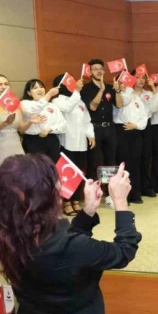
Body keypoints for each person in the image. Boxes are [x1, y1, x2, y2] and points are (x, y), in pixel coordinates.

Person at [0, 158, 141, 314]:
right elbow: (124, 250)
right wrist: (120, 201)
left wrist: (87, 212)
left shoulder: (10, 235)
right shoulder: (71, 248)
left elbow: (63, 253)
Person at [52, 73, 93, 216]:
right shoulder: (58, 101)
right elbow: (68, 108)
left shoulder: (79, 100)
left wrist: (91, 135)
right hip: (66, 142)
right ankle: (66, 202)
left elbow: (87, 121)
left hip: (81, 143)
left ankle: (76, 200)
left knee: (79, 172)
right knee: (66, 173)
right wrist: (76, 91)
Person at [81, 59, 122, 180]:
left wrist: (117, 91)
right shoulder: (86, 88)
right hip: (94, 129)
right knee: (94, 161)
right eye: (95, 69)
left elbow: (119, 105)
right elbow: (92, 107)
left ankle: (110, 190)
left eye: (101, 69)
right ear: (90, 72)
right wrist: (101, 90)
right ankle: (93, 188)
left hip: (110, 129)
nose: (99, 71)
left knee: (111, 161)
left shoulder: (111, 87)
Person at [116, 72, 151, 204]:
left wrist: (136, 125)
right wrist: (126, 89)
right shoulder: (119, 95)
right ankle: (123, 196)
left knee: (135, 164)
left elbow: (144, 116)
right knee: (124, 165)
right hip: (122, 130)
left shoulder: (136, 98)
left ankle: (135, 194)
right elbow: (124, 102)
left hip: (135, 132)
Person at [20, 79, 65, 162]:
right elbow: (34, 109)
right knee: (36, 167)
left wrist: (50, 129)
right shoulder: (24, 103)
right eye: (35, 88)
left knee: (53, 166)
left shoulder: (52, 105)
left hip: (51, 140)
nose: (39, 90)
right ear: (29, 92)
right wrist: (49, 94)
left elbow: (63, 124)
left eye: (41, 87)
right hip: (33, 141)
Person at [0, 74, 41, 164]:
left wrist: (30, 121)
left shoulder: (15, 103)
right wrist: (6, 123)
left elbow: (21, 129)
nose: (3, 87)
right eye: (0, 84)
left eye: (6, 84)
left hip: (15, 144)